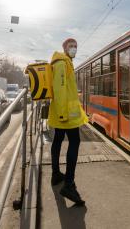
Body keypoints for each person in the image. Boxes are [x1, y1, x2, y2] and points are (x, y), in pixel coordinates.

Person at [48, 38, 88, 205]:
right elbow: (60, 89)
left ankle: (56, 174)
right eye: (71, 46)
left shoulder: (65, 62)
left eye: (76, 46)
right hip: (65, 114)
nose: (74, 48)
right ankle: (69, 184)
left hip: (62, 112)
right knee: (75, 141)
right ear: (64, 48)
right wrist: (64, 114)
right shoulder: (62, 64)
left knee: (58, 139)